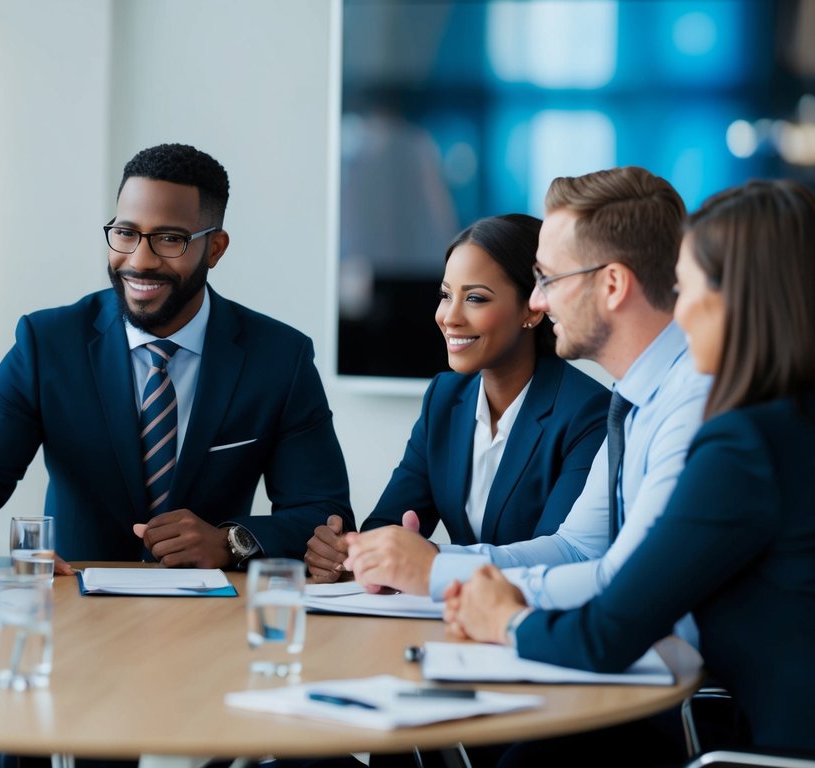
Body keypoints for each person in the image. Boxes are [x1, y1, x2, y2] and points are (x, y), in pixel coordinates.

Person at [445, 179, 815, 760]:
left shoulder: (743, 443)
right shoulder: (784, 423)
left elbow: (609, 628)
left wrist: (504, 619)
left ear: (740, 302)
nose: (678, 312)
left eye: (686, 289)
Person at [0, 143, 354, 567]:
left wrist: (231, 542)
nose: (140, 260)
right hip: (76, 601)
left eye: (169, 239)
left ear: (215, 248)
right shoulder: (48, 343)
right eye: (126, 233)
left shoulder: (279, 357)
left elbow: (324, 514)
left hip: (217, 605)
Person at [342, 167, 711, 622]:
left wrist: (450, 580)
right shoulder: (634, 400)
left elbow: (621, 583)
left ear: (613, 285)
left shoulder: (691, 405)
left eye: (550, 279)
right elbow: (577, 550)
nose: (539, 301)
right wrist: (423, 563)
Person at [305, 214, 609, 584]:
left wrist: (429, 560)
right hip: (450, 612)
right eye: (446, 295)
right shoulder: (444, 398)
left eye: (475, 298)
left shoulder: (587, 412)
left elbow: (559, 558)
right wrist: (348, 552)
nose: (449, 317)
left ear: (532, 308)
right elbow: (387, 525)